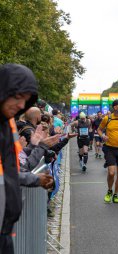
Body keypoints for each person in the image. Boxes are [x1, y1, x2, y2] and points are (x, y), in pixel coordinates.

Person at [0, 63, 51, 253]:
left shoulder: (7, 123)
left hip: (5, 228)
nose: (22, 105)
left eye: (27, 100)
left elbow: (13, 167)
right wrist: (34, 178)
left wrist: (37, 145)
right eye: (18, 97)